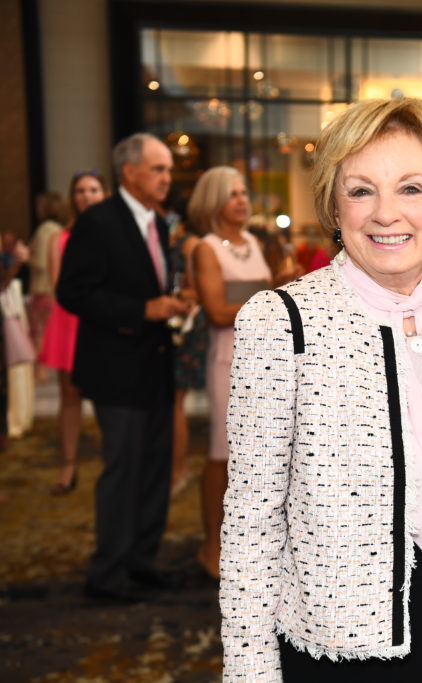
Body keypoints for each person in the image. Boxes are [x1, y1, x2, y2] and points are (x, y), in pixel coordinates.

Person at [220, 98, 422, 681]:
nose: (385, 213)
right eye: (361, 190)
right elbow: (251, 521)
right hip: (333, 652)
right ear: (334, 205)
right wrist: (249, 671)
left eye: (412, 188)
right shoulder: (281, 323)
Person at [56, 133, 191, 602]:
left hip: (154, 364)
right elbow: (72, 293)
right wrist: (143, 311)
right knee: (123, 469)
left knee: (155, 468)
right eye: (158, 169)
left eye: (169, 170)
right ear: (128, 171)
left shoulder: (160, 222)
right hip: (115, 367)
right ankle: (107, 572)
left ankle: (140, 561)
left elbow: (155, 282)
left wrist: (174, 301)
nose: (167, 178)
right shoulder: (99, 221)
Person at [189, 166, 272, 579]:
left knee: (257, 457)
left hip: (261, 357)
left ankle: (248, 541)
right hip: (226, 359)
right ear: (213, 201)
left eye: (244, 192)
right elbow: (218, 311)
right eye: (231, 193)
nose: (242, 200)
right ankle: (210, 545)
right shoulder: (206, 248)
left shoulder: (253, 243)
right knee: (222, 454)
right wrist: (267, 301)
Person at [41, 169, 108, 495]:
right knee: (69, 397)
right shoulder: (60, 239)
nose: (86, 196)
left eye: (93, 189)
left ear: (104, 194)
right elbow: (59, 288)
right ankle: (68, 465)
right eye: (80, 190)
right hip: (69, 321)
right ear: (73, 197)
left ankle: (115, 461)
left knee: (108, 396)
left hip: (103, 321)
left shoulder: (114, 234)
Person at [168, 213, 209, 498]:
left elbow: (198, 290)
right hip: (170, 324)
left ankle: (178, 470)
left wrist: (182, 295)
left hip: (186, 326)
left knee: (175, 401)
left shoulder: (190, 245)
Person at [28, 192, 68, 356]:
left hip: (42, 288)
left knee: (39, 331)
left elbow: (41, 262)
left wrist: (25, 256)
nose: (36, 209)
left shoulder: (45, 230)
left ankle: (40, 372)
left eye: (39, 205)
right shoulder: (60, 229)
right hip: (54, 288)